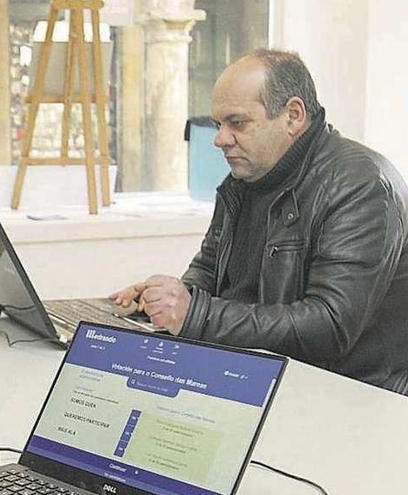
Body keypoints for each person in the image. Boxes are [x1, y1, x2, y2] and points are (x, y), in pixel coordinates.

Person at [111, 49, 408, 395]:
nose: (220, 139)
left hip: (351, 398)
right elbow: (209, 272)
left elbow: (329, 325)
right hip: (265, 382)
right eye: (218, 123)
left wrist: (194, 314)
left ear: (293, 116)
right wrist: (163, 302)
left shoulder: (362, 186)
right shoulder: (244, 181)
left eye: (237, 123)